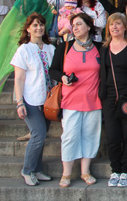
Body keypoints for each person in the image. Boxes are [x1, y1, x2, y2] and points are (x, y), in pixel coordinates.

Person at [49, 13, 102, 188]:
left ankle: (85, 171)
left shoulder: (100, 48)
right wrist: (63, 78)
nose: (76, 27)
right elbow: (53, 70)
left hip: (93, 101)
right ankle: (66, 173)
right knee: (70, 137)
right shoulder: (64, 47)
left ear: (89, 26)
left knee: (90, 136)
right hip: (70, 100)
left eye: (79, 24)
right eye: (74, 25)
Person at [10, 13, 55, 186]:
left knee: (41, 136)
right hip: (30, 100)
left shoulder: (50, 49)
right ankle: (27, 170)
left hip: (48, 101)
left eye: (41, 25)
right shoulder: (24, 49)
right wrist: (19, 102)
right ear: (28, 29)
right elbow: (19, 78)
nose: (39, 28)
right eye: (35, 25)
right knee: (38, 134)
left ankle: (37, 169)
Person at [99, 13, 127, 187]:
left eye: (118, 24)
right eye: (111, 24)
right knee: (113, 136)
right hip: (109, 97)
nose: (114, 27)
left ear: (125, 27)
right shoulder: (104, 48)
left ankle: (126, 170)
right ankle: (115, 169)